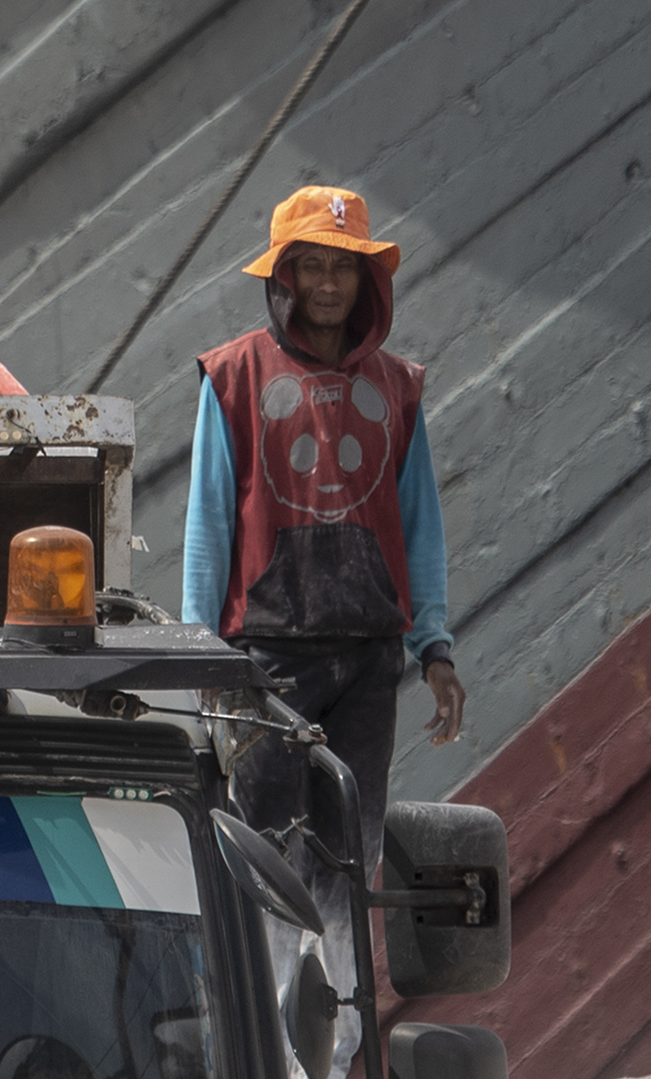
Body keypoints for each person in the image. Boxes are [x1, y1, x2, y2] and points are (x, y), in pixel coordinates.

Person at [183, 183, 466, 896]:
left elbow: (419, 523)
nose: (329, 283)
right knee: (270, 859)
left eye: (343, 265)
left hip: (370, 661)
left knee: (351, 855)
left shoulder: (397, 388)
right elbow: (209, 523)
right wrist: (204, 661)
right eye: (312, 266)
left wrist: (433, 648)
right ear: (285, 277)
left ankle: (341, 1003)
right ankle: (275, 1002)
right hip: (268, 660)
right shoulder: (233, 378)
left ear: (367, 276)